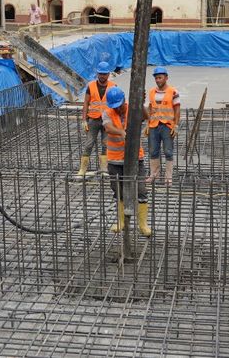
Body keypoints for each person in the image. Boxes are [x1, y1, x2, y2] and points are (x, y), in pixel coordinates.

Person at [102, 86, 151, 237]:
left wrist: (141, 103)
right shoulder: (107, 112)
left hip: (135, 158)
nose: (117, 109)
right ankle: (121, 221)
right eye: (114, 107)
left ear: (124, 100)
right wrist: (121, 131)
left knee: (141, 190)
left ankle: (142, 224)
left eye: (119, 105)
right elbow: (108, 127)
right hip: (115, 160)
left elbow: (146, 116)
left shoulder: (132, 108)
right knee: (119, 191)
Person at [77, 61, 116, 177]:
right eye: (100, 74)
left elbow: (115, 105)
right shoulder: (91, 86)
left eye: (104, 74)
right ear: (97, 74)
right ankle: (82, 170)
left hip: (107, 120)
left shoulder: (113, 87)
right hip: (93, 119)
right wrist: (84, 119)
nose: (102, 76)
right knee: (89, 144)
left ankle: (104, 169)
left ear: (108, 74)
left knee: (106, 144)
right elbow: (85, 103)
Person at [145, 67, 180, 185]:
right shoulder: (151, 92)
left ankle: (168, 177)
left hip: (167, 126)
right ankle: (154, 175)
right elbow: (150, 109)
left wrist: (176, 125)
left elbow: (177, 109)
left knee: (168, 151)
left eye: (160, 78)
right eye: (156, 78)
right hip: (154, 125)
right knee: (153, 151)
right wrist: (147, 124)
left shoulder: (173, 92)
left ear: (166, 77)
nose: (158, 80)